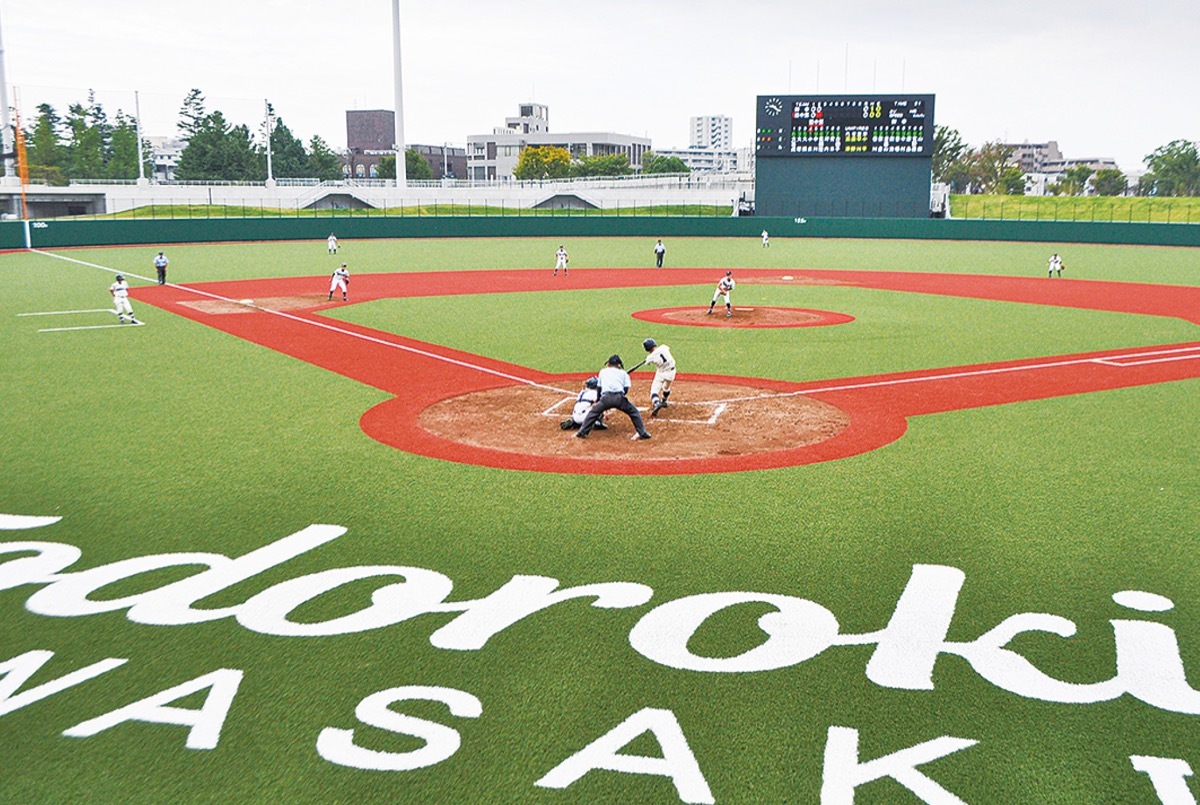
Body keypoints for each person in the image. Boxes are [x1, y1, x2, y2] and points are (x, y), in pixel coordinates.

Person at [575, 355, 651, 440]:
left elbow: (599, 388)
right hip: (619, 398)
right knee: (634, 412)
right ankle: (642, 432)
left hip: (605, 398)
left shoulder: (603, 372)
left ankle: (582, 432)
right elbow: (626, 389)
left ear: (608, 364)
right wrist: (621, 398)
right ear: (619, 365)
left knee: (593, 413)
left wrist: (599, 399)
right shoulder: (623, 373)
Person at [640, 338, 676, 417]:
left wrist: (648, 359)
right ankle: (664, 400)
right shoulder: (663, 347)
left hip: (661, 373)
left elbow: (648, 362)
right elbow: (664, 351)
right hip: (671, 373)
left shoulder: (650, 357)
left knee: (654, 391)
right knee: (666, 387)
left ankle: (656, 403)